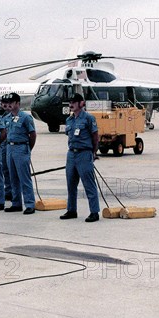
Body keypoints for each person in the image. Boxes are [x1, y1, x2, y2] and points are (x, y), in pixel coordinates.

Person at [60, 92, 100, 222]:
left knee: (89, 184)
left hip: (84, 153)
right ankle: (71, 210)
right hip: (72, 153)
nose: (71, 104)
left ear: (81, 104)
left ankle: (94, 211)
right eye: (70, 102)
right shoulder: (69, 120)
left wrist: (93, 152)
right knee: (71, 184)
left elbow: (95, 136)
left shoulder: (88, 118)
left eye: (73, 102)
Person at [3, 92, 37, 214]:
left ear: (18, 103)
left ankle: (29, 204)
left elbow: (32, 134)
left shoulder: (25, 117)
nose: (9, 105)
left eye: (12, 102)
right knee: (12, 178)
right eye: (8, 103)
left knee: (24, 178)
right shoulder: (7, 118)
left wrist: (27, 150)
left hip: (21, 148)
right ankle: (16, 203)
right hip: (10, 148)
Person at [0, 95, 13, 201]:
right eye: (3, 103)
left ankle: (15, 192)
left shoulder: (18, 116)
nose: (5, 105)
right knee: (5, 169)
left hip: (14, 147)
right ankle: (8, 191)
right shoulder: (1, 117)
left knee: (14, 170)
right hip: (4, 146)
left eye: (8, 103)